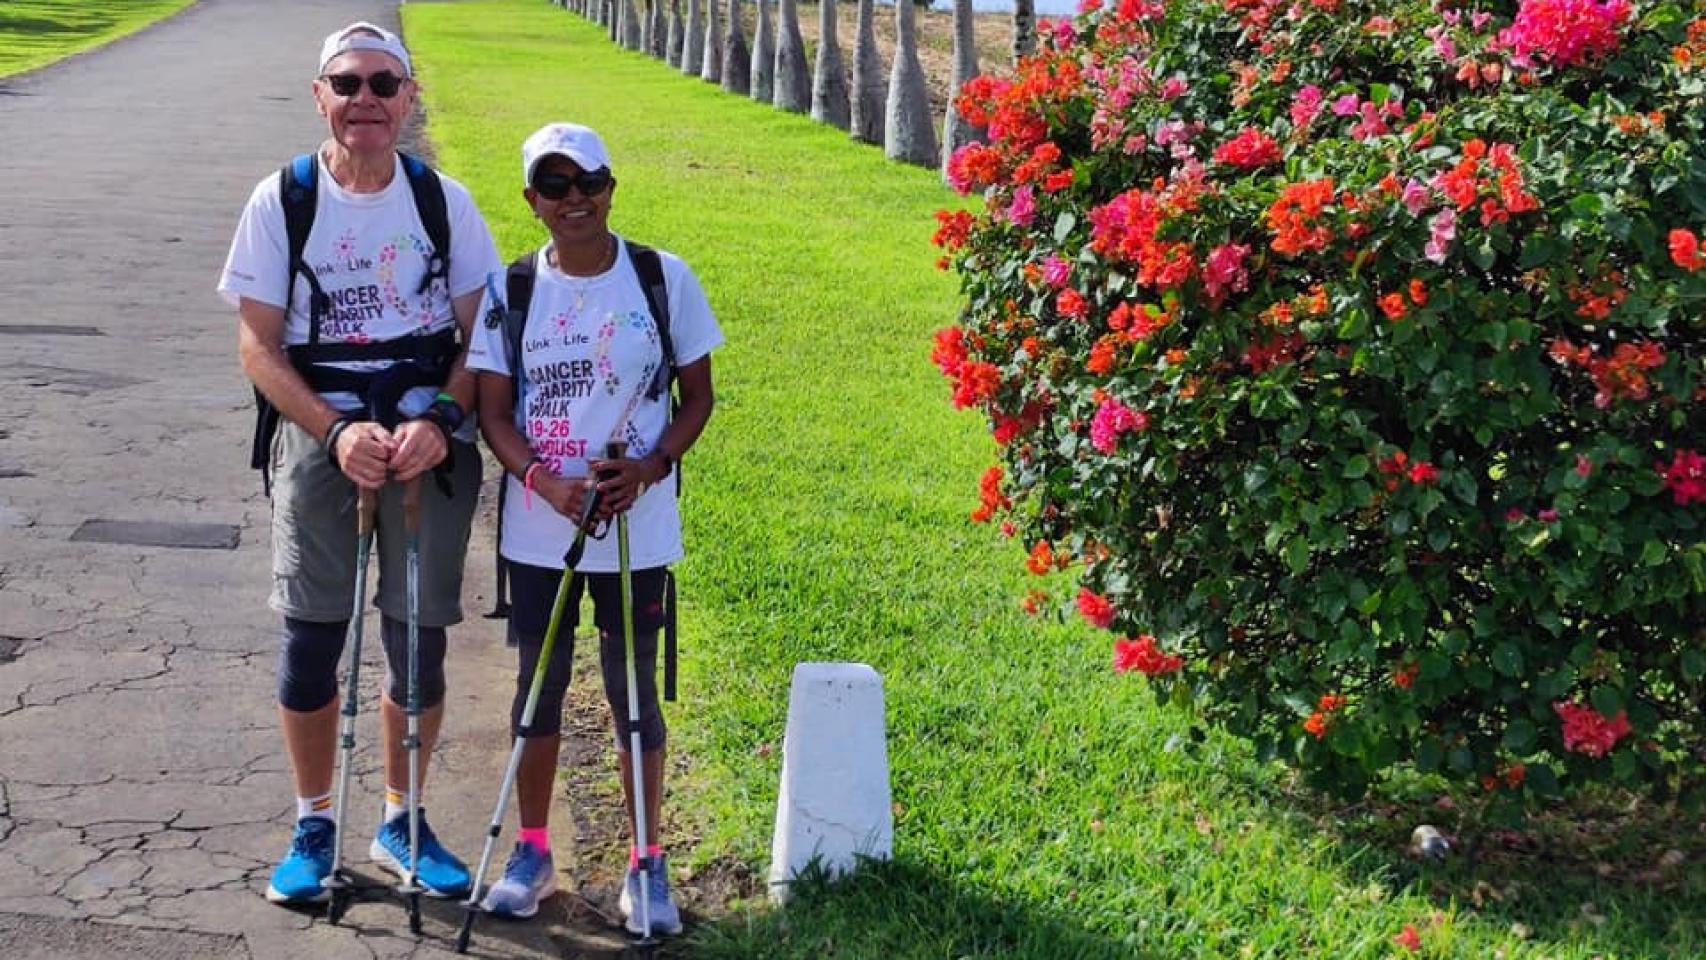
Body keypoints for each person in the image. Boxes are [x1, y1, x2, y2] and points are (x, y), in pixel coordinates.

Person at [218, 22, 501, 905]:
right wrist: (335, 431)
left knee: (417, 647)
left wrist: (445, 417)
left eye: (384, 84)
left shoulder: (442, 201)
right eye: (347, 84)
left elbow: (482, 334)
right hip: (321, 433)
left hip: (425, 441)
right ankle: (313, 822)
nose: (365, 101)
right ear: (320, 96)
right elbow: (259, 347)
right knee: (311, 642)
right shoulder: (284, 199)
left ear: (409, 96)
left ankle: (400, 819)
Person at [465, 122, 720, 934]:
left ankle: (646, 864)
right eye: (555, 184)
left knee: (634, 693)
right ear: (531, 200)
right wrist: (546, 482)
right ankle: (532, 851)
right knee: (536, 692)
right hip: (542, 531)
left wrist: (646, 468)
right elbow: (494, 415)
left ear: (611, 187)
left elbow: (698, 398)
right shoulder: (513, 289)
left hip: (638, 526)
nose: (574, 199)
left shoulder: (660, 276)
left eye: (589, 182)